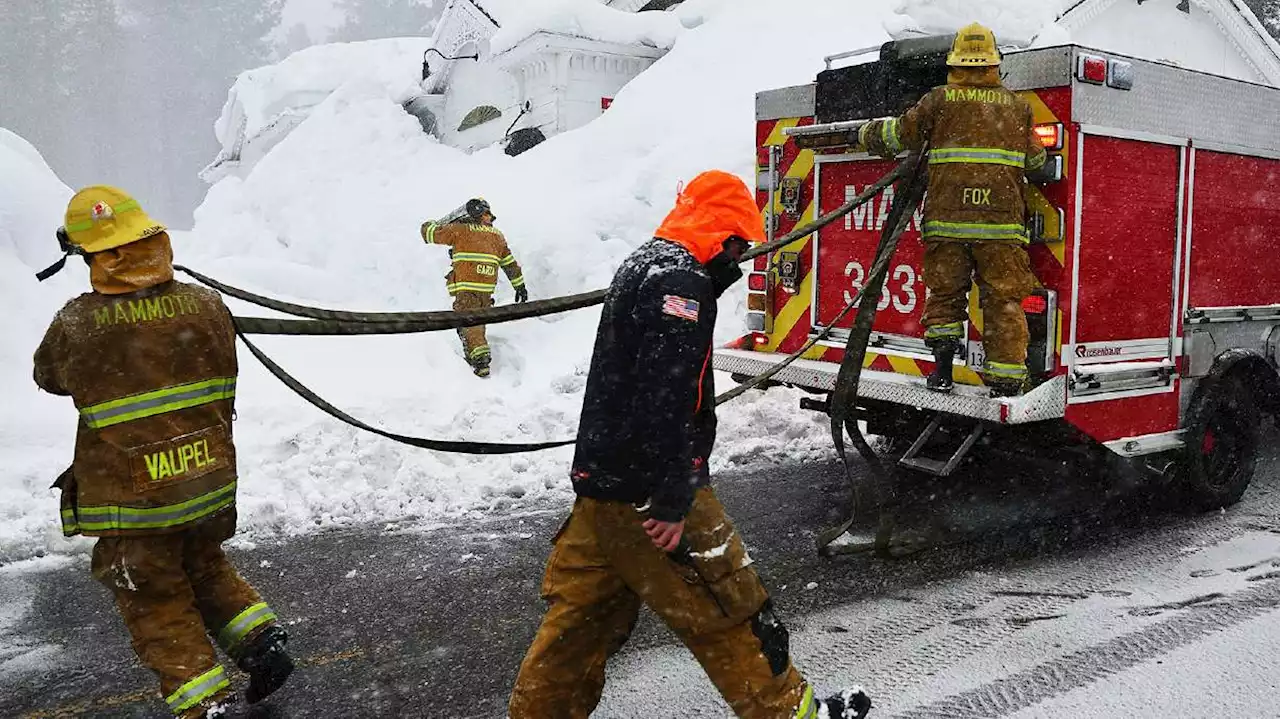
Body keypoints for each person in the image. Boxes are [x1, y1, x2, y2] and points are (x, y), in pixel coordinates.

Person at [508, 170, 873, 719]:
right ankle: (791, 714)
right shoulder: (680, 286)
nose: (742, 256)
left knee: (578, 628)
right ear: (721, 234)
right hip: (649, 489)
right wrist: (673, 498)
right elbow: (668, 396)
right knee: (728, 605)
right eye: (738, 246)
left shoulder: (646, 264)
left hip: (603, 487)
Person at [33, 186, 293, 719]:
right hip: (208, 479)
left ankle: (205, 702)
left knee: (153, 595)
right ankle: (259, 641)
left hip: (137, 495)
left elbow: (49, 376)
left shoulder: (77, 324)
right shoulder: (206, 304)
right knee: (202, 561)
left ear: (95, 255)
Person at [860, 22, 1048, 397]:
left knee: (945, 295)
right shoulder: (1018, 108)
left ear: (955, 63)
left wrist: (866, 134)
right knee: (1004, 300)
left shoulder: (939, 100)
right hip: (1001, 228)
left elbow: (898, 136)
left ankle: (942, 371)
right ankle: (1007, 381)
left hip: (947, 223)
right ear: (995, 64)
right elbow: (1036, 160)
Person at [420, 198, 528, 377]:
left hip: (467, 288)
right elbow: (509, 264)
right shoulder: (497, 236)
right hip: (486, 290)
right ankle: (475, 356)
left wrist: (431, 224)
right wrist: (520, 286)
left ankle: (481, 361)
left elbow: (429, 234)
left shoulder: (459, 230)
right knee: (476, 322)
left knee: (469, 322)